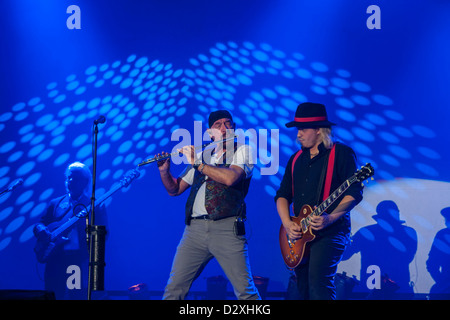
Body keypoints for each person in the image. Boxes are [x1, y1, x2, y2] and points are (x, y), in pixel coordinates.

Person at [156, 110, 260, 300]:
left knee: (246, 292)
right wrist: (164, 171)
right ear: (210, 133)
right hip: (194, 231)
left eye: (228, 123)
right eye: (218, 125)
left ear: (234, 128)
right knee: (174, 289)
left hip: (227, 228)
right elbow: (175, 190)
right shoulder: (203, 154)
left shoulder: (243, 150)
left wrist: (198, 163)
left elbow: (231, 178)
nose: (224, 128)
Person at [275, 102, 363, 300]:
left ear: (318, 129)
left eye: (303, 129)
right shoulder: (296, 158)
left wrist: (331, 218)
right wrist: (288, 223)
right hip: (300, 234)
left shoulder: (340, 153)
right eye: (298, 129)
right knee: (303, 287)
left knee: (319, 284)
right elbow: (282, 195)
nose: (298, 134)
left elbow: (354, 193)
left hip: (331, 231)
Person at [33, 161, 107, 300]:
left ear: (85, 181)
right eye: (69, 177)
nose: (70, 180)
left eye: (75, 178)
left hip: (77, 261)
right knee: (52, 295)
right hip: (54, 259)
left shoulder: (94, 205)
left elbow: (103, 235)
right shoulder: (56, 203)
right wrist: (41, 230)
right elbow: (39, 223)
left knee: (75, 295)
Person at [427, 207, 450, 298]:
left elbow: (432, 263)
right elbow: (432, 263)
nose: (445, 222)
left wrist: (442, 282)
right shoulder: (442, 235)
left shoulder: (442, 235)